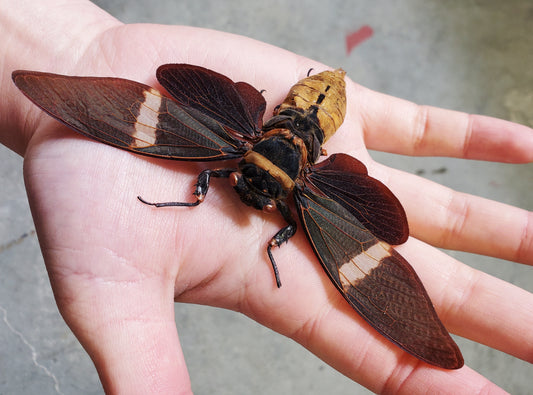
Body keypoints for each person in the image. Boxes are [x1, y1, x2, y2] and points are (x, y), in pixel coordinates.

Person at [1, 1, 532, 393]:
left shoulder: (227, 154)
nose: (252, 196)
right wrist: (74, 52)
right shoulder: (302, 201)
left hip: (285, 118)